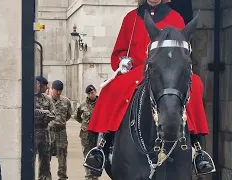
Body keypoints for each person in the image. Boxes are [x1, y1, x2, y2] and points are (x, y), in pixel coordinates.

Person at [85, 0, 215, 176]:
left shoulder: (175, 17)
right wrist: (122, 60)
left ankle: (198, 148)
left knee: (195, 84)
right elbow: (118, 52)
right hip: (137, 71)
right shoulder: (131, 18)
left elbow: (183, 53)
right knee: (111, 88)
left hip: (168, 72)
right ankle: (100, 146)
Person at [73, 85, 100, 180]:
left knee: (96, 155)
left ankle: (95, 176)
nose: (90, 95)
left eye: (92, 93)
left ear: (95, 91)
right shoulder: (83, 105)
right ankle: (89, 176)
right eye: (88, 93)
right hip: (86, 135)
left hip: (97, 134)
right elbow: (76, 116)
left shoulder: (101, 103)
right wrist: (84, 123)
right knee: (87, 155)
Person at [48, 80, 72, 180]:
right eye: (56, 90)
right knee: (46, 157)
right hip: (49, 132)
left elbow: (69, 115)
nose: (58, 92)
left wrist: (60, 122)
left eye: (60, 90)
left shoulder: (66, 101)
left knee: (62, 157)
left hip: (61, 132)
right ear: (51, 89)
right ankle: (46, 177)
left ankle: (62, 177)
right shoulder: (46, 101)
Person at [34, 76, 56, 180]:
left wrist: (41, 114)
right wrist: (44, 113)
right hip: (33, 132)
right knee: (30, 159)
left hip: (44, 132)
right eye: (44, 85)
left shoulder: (47, 99)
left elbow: (53, 114)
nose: (46, 87)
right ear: (38, 84)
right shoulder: (29, 98)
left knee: (45, 160)